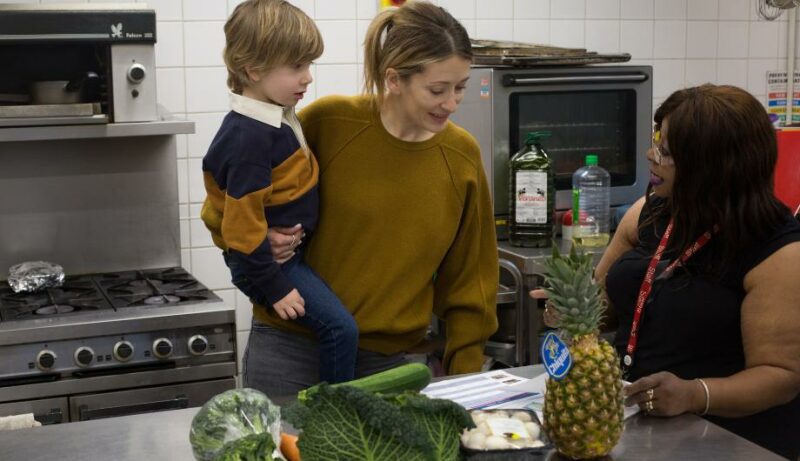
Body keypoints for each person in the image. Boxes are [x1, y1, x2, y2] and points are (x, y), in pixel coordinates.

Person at [249, 1, 499, 396]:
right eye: (437, 89)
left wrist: (465, 377)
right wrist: (259, 239)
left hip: (385, 364)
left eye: (460, 88)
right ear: (394, 79)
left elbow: (472, 280)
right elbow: (230, 197)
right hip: (289, 347)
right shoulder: (329, 123)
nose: (451, 103)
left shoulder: (461, 156)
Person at [540, 84, 800, 459]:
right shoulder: (649, 212)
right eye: (655, 141)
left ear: (711, 165)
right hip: (636, 425)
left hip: (731, 440)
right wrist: (568, 311)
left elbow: (781, 376)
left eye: (665, 151)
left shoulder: (777, 250)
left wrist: (695, 393)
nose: (651, 155)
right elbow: (606, 306)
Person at [200, 0, 359, 385]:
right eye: (297, 67)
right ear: (252, 69)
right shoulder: (249, 138)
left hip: (285, 253)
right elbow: (241, 229)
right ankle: (336, 413)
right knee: (342, 330)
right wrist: (276, 287)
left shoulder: (276, 115)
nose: (307, 79)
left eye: (309, 66)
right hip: (270, 265)